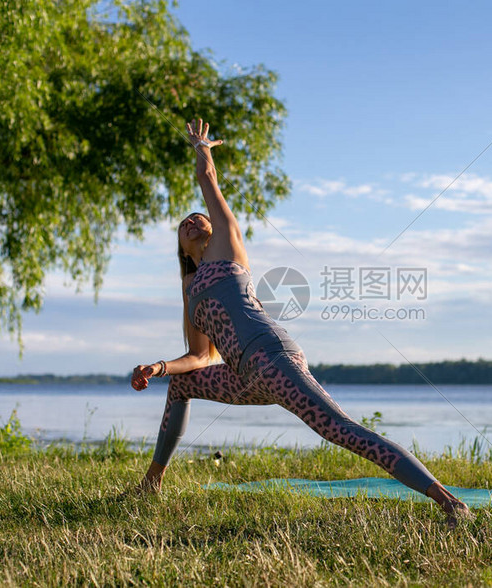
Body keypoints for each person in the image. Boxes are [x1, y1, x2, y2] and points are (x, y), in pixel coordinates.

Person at [130, 118, 471, 525]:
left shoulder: (227, 243)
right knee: (182, 385)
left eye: (198, 217)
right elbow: (200, 357)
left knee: (340, 430)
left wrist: (202, 148)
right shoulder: (190, 287)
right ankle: (151, 484)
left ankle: (451, 503)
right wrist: (161, 368)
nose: (192, 220)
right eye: (184, 224)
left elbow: (208, 182)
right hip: (244, 375)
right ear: (182, 246)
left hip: (273, 357)